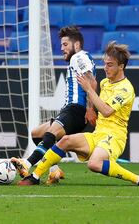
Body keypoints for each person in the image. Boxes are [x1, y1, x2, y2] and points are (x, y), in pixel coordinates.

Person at [18, 41, 139, 186]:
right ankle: (35, 177)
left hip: (114, 137)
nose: (105, 68)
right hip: (98, 134)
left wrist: (89, 90)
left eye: (110, 65)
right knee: (65, 141)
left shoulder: (125, 89)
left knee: (94, 164)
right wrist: (90, 108)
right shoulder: (105, 82)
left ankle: (138, 179)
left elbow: (106, 111)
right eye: (105, 64)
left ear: (121, 66)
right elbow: (96, 96)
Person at [11, 26, 97, 184]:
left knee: (50, 134)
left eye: (65, 44)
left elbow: (92, 81)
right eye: (61, 45)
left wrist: (90, 108)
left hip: (76, 110)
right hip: (71, 110)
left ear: (76, 45)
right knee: (37, 134)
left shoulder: (79, 57)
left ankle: (27, 164)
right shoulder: (80, 58)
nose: (62, 48)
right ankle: (54, 170)